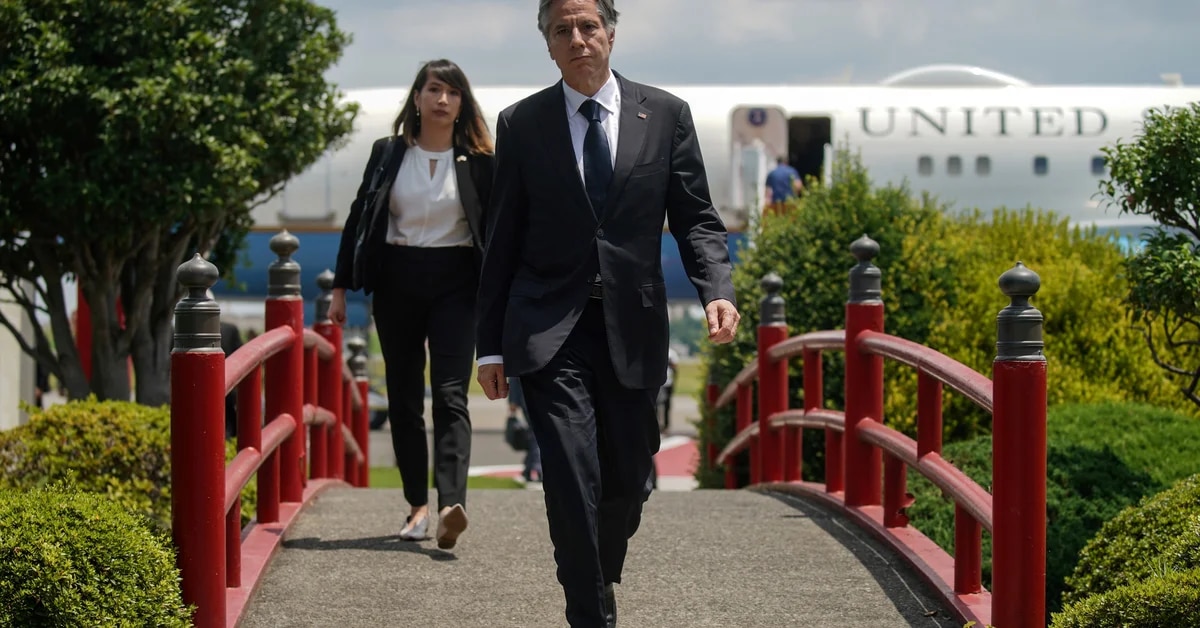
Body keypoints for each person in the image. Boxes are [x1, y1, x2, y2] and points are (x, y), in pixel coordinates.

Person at [474, 2, 740, 625]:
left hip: (633, 324)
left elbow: (696, 218)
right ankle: (590, 612)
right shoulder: (522, 123)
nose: (577, 39)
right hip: (548, 327)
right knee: (570, 474)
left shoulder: (665, 115)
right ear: (548, 44)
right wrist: (490, 345)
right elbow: (501, 238)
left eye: (588, 27)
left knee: (627, 478)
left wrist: (716, 289)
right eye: (561, 30)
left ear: (611, 35)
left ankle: (598, 574)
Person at [329, 59, 494, 551]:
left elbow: (498, 230)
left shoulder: (480, 162)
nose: (443, 100)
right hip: (397, 281)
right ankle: (417, 506)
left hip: (456, 284)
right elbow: (359, 218)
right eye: (434, 89)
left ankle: (450, 506)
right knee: (403, 398)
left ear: (463, 103)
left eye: (453, 92)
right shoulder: (388, 152)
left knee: (450, 394)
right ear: (417, 98)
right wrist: (340, 287)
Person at [507, 376, 542, 482]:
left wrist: (513, 401)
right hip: (532, 399)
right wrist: (513, 401)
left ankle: (529, 468)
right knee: (537, 435)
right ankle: (537, 467)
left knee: (536, 435)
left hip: (534, 398)